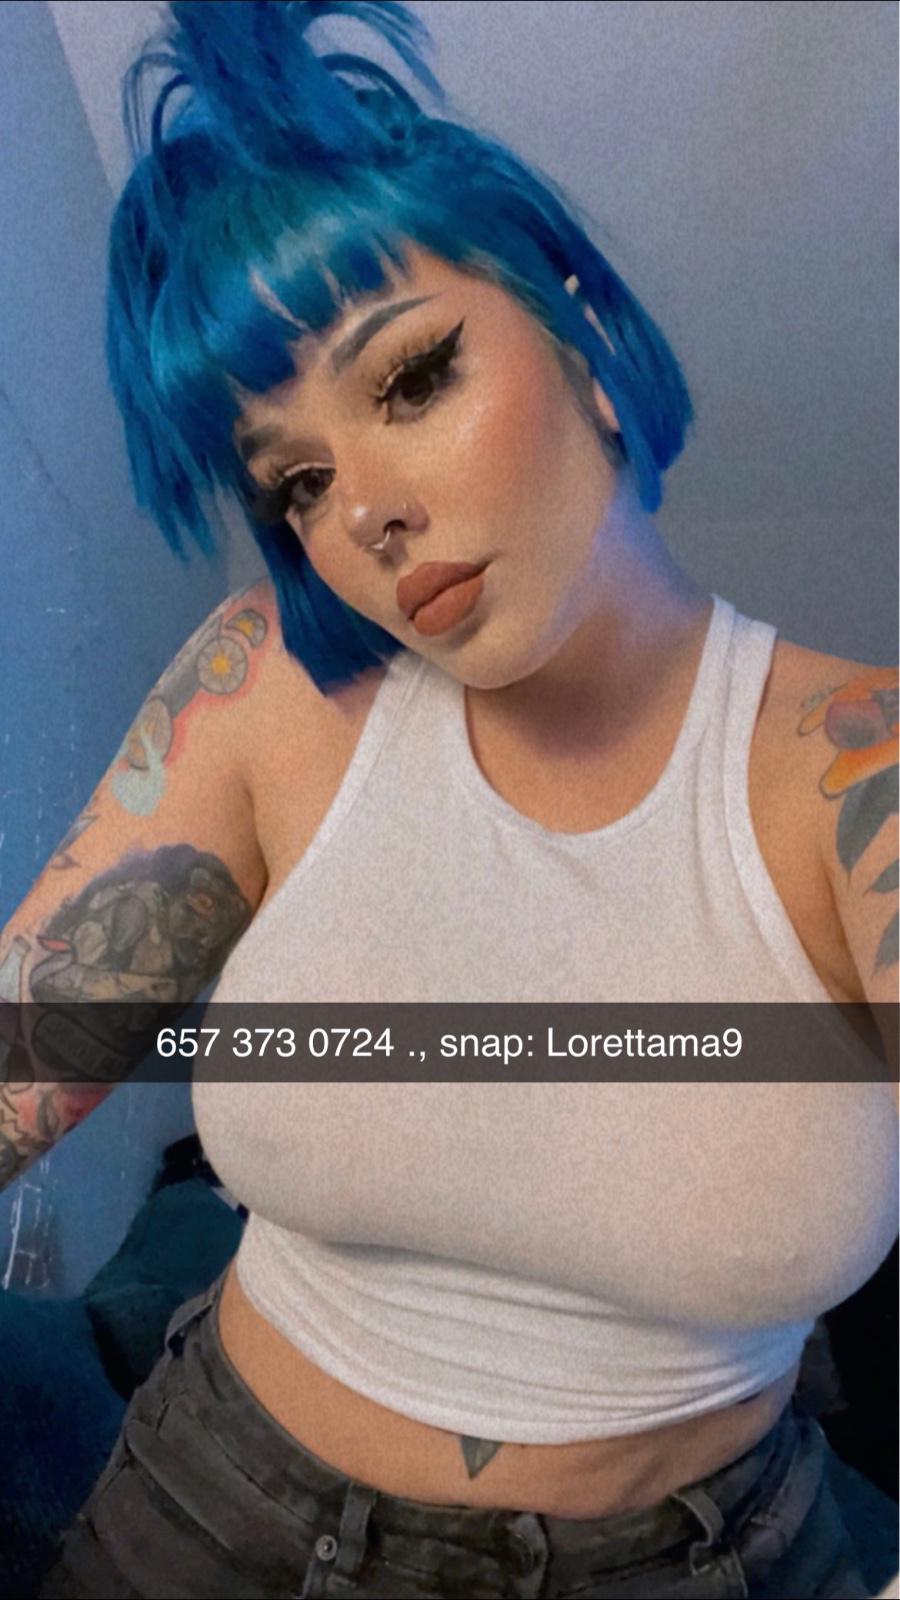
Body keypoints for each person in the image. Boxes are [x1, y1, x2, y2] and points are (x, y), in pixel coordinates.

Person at [0, 2, 895, 1595]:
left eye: (411, 378)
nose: (368, 514)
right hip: (212, 1519)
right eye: (297, 481)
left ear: (578, 335)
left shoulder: (856, 775)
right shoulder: (269, 688)